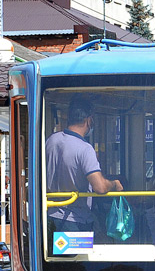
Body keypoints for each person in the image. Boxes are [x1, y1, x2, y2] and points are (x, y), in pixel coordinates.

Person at [45, 96, 122, 235]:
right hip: (76, 222)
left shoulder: (51, 141)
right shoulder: (85, 149)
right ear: (89, 120)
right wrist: (114, 184)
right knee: (78, 257)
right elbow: (100, 186)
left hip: (49, 218)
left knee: (52, 257)